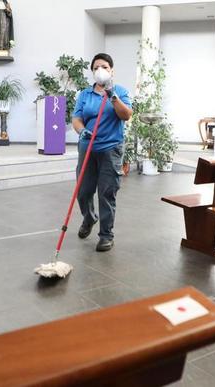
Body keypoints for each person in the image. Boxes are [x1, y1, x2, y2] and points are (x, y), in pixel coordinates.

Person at [72, 53, 133, 252]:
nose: (101, 70)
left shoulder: (120, 92)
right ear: (92, 71)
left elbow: (126, 115)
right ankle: (89, 217)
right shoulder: (84, 95)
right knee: (83, 191)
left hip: (111, 148)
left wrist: (112, 95)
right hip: (88, 147)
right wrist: (82, 131)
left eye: (105, 66)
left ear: (111, 70)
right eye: (97, 67)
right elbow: (77, 118)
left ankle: (106, 235)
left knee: (107, 193)